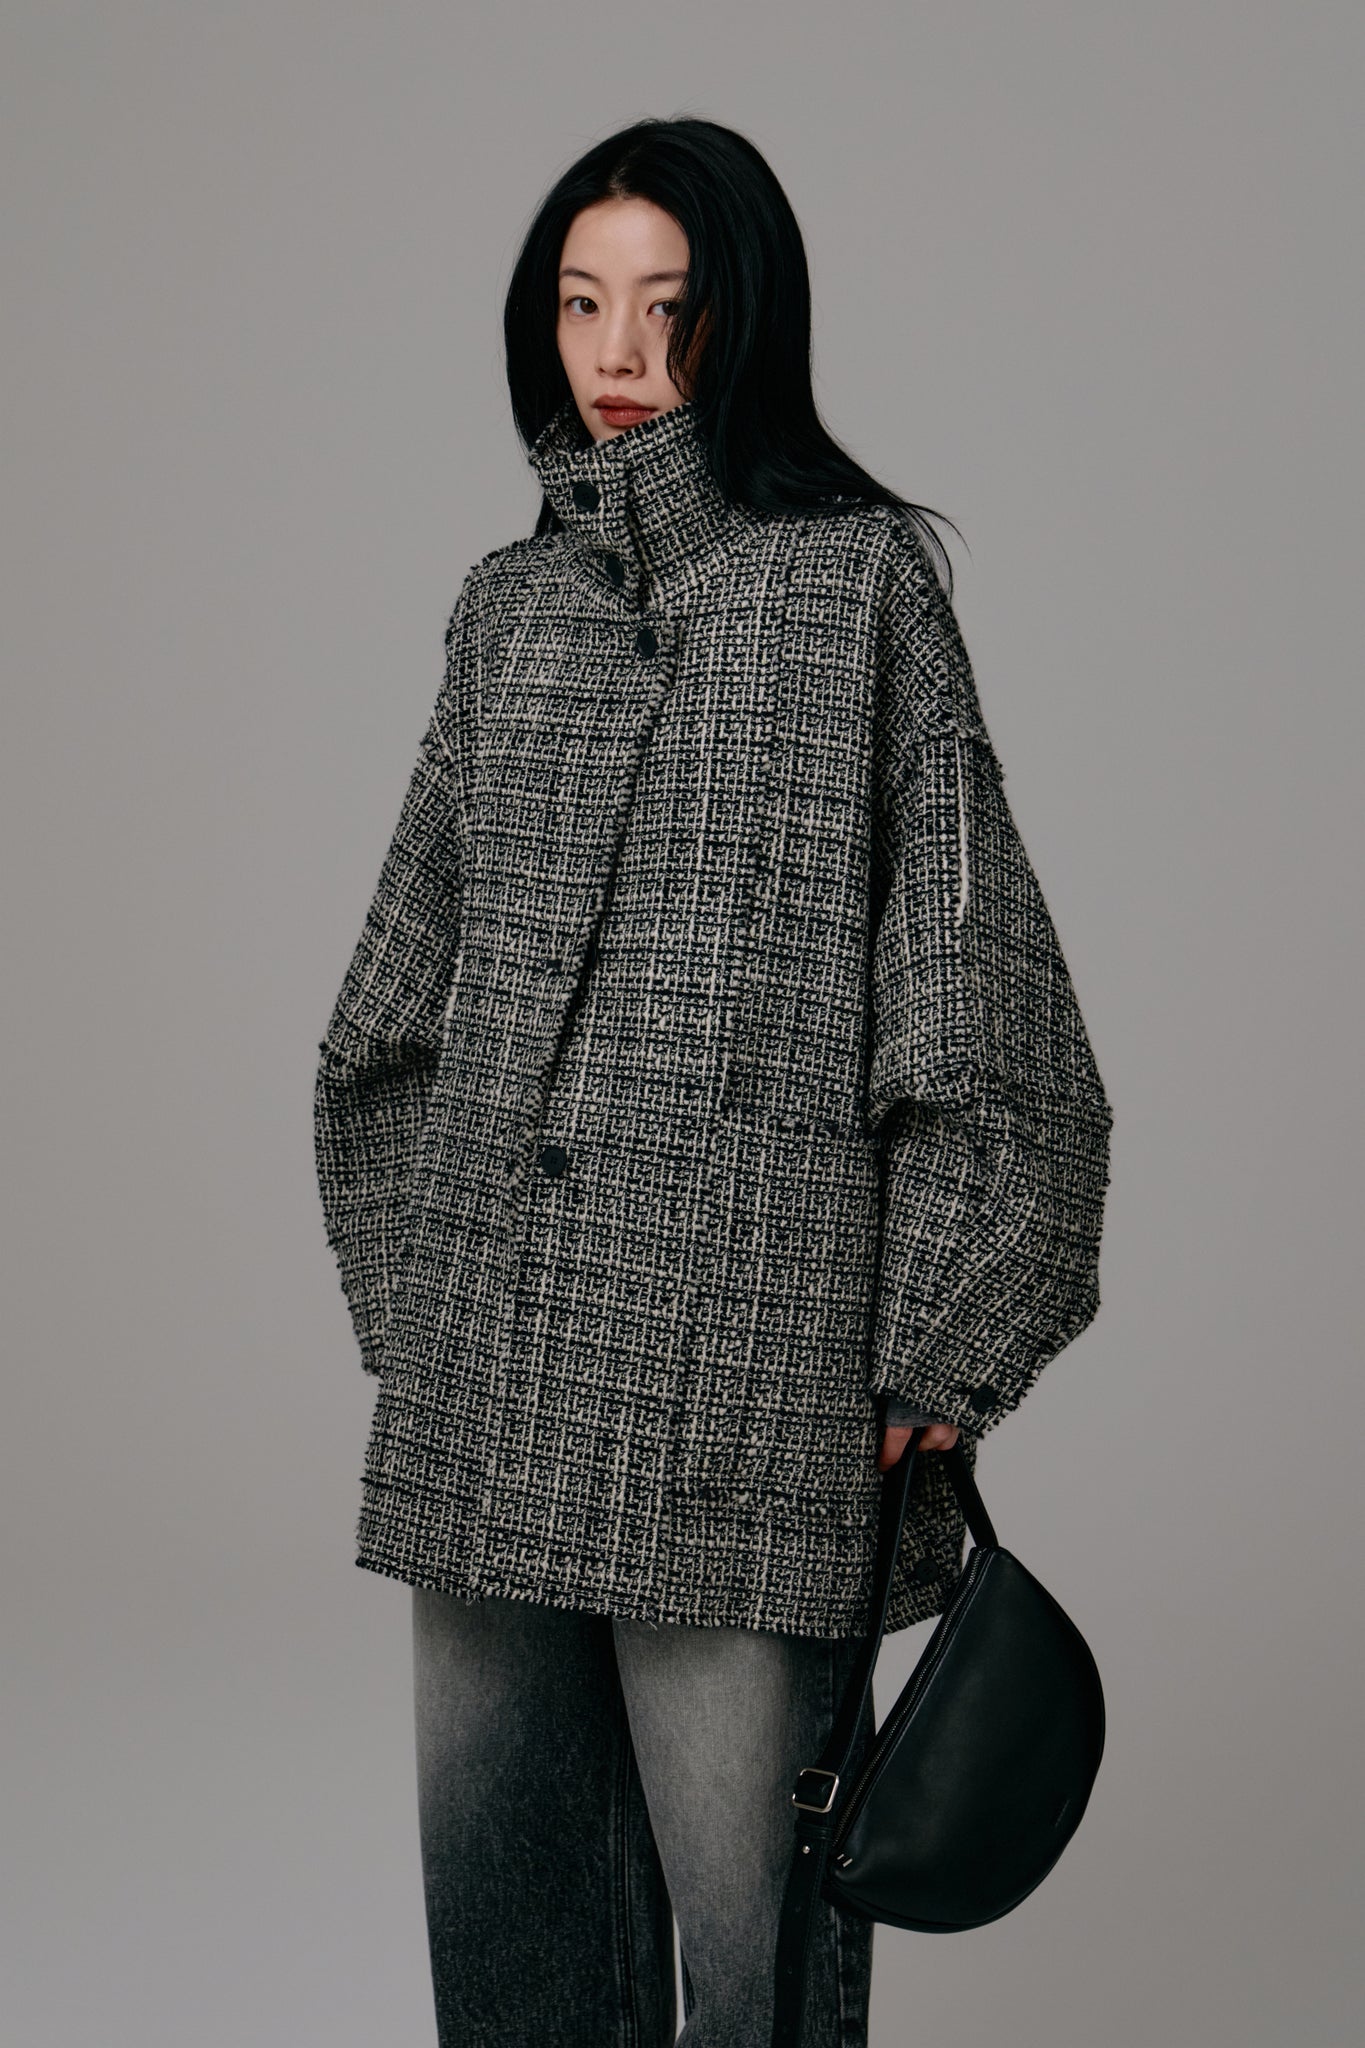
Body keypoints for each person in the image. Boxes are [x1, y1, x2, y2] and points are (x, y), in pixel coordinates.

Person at [312, 116, 1113, 2048]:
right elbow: (388, 1005)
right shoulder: (506, 614)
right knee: (513, 1958)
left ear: (746, 324)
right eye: (581, 303)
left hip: (749, 1404)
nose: (618, 353)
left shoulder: (857, 596)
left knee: (756, 1970)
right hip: (488, 1400)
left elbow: (977, 987)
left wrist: (937, 1346)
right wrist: (423, 1307)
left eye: (667, 309)